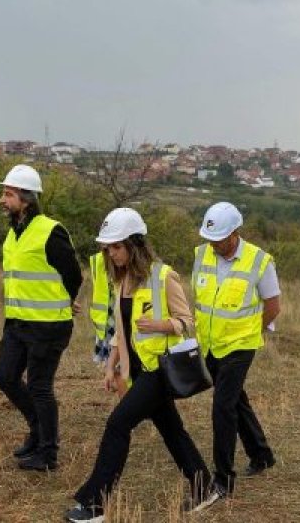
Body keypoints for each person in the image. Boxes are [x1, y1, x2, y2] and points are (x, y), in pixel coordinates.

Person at [65, 208, 214, 523]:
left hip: (159, 371)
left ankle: (95, 505)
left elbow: (187, 323)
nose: (112, 254)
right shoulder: (120, 281)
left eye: (117, 247)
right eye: (108, 248)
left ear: (135, 244)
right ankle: (205, 486)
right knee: (172, 430)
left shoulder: (163, 276)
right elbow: (122, 331)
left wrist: (160, 325)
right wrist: (112, 366)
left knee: (118, 425)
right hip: (136, 371)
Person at [0, 164, 83, 472]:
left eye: (8, 194)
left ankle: (48, 453)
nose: (2, 200)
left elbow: (73, 275)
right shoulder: (14, 231)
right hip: (17, 322)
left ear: (27, 198)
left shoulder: (50, 230)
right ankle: (37, 430)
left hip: (48, 326)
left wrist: (64, 301)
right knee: (4, 377)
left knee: (39, 387)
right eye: (3, 193)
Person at [191, 201, 280, 506]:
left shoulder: (259, 261)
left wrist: (253, 333)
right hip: (211, 343)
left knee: (222, 406)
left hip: (241, 345)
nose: (214, 245)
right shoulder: (201, 254)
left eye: (220, 240)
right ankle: (262, 454)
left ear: (235, 233)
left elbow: (273, 306)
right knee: (235, 399)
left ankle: (223, 478)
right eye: (210, 239)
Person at [89, 251, 115, 365]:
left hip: (119, 317)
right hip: (106, 320)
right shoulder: (97, 260)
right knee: (111, 365)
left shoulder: (128, 256)